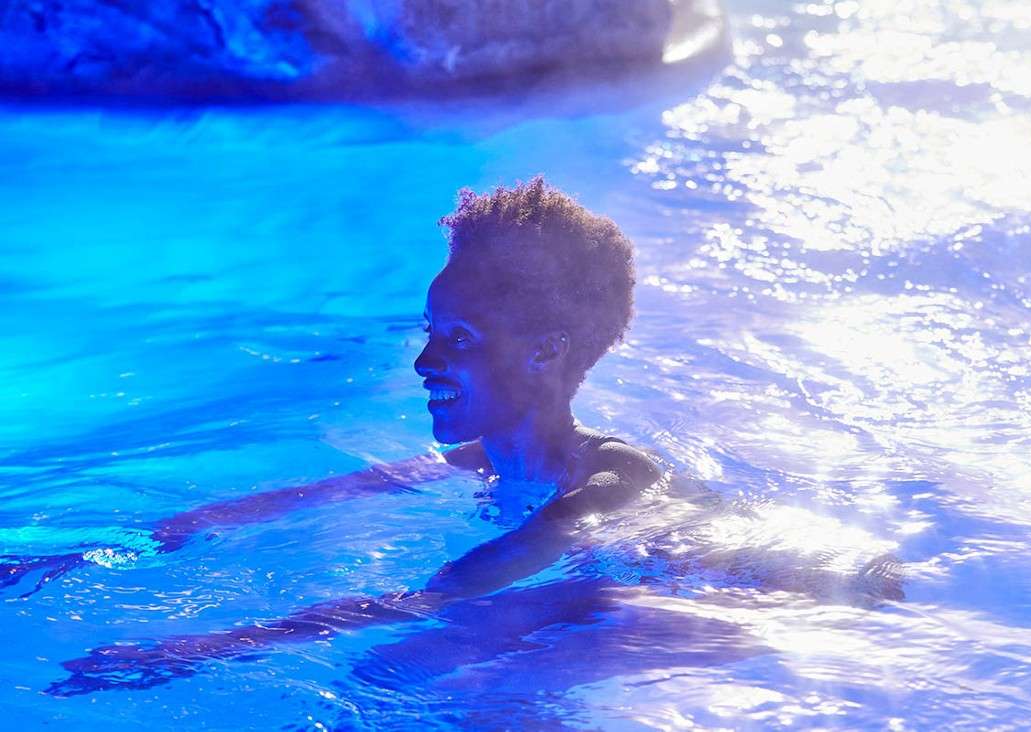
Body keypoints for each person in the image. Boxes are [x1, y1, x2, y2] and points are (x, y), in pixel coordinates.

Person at [46, 178, 665, 694]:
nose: (425, 362)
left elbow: (452, 589)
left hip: (710, 612)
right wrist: (84, 553)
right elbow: (277, 504)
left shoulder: (615, 479)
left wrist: (206, 648)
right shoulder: (475, 464)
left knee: (406, 668)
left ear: (547, 351)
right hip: (591, 613)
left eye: (459, 339)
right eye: (430, 331)